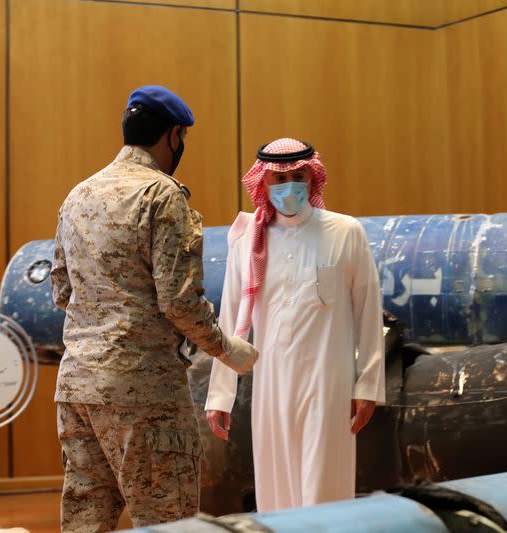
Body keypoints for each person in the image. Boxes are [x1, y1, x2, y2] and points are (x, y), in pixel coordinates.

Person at [51, 85, 258, 532]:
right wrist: (226, 349)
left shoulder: (77, 196)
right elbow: (179, 301)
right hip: (143, 393)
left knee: (87, 519)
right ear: (174, 136)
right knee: (168, 521)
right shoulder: (161, 195)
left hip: (77, 387)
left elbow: (62, 291)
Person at [204, 138, 385, 511]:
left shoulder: (345, 231)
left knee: (324, 488)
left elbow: (368, 311)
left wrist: (367, 384)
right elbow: (230, 316)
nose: (288, 185)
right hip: (270, 384)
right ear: (262, 183)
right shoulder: (246, 240)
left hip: (328, 383)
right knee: (276, 489)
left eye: (297, 175)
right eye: (278, 178)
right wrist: (221, 394)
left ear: (312, 177)